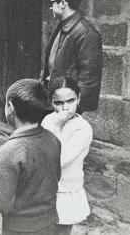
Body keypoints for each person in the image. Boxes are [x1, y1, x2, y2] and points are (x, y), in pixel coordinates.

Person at [0, 79, 61, 235]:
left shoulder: (9, 152)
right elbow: (56, 176)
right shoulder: (53, 139)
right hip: (50, 223)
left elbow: (3, 204)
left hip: (20, 229)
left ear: (10, 108)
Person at [40, 0, 103, 113]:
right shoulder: (61, 27)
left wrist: (74, 109)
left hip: (66, 106)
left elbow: (89, 78)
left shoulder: (86, 33)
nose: (50, 7)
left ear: (63, 3)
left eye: (52, 2)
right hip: (55, 101)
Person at [41, 76, 93, 235]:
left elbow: (58, 160)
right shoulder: (48, 120)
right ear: (51, 102)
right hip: (44, 189)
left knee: (61, 230)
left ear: (79, 98)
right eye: (58, 103)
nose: (65, 108)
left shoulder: (82, 129)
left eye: (70, 101)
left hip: (65, 191)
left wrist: (57, 127)